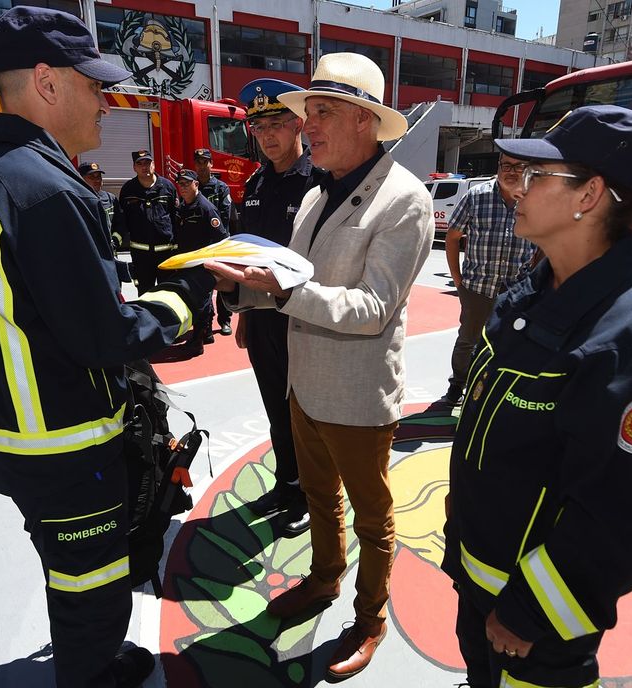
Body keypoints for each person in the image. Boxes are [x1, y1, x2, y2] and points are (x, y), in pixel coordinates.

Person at [0, 8, 212, 688]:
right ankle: (92, 674)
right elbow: (103, 336)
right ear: (46, 83)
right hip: (65, 442)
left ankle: (85, 657)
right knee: (92, 580)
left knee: (66, 570)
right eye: (94, 85)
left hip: (16, 432)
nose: (105, 101)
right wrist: (187, 302)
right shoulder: (47, 190)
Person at [441, 105, 632, 688]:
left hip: (533, 618)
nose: (515, 190)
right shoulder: (530, 295)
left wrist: (531, 612)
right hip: (481, 577)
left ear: (591, 195)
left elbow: (619, 518)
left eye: (535, 177)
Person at [210, 53, 433, 680]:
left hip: (359, 391)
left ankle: (370, 618)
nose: (308, 126)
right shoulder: (313, 194)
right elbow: (291, 279)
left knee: (372, 514)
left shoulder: (404, 200)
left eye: (323, 112)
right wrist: (237, 288)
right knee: (317, 496)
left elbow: (371, 308)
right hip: (303, 383)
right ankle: (325, 580)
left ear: (366, 120)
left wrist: (279, 294)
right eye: (309, 113)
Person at [236, 77, 325, 538]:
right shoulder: (255, 184)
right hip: (264, 318)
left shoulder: (319, 182)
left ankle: (313, 493)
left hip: (306, 319)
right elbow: (248, 255)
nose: (267, 135)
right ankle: (288, 483)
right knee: (276, 406)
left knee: (305, 410)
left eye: (277, 123)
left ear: (297, 126)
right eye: (259, 126)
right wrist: (246, 316)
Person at [439, 154, 535, 405]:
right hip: (477, 288)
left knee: (511, 342)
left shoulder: (533, 199)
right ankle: (458, 385)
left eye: (519, 166)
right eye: (507, 165)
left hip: (515, 290)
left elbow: (544, 241)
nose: (512, 171)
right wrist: (458, 280)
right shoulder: (476, 196)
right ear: (498, 167)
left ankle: (496, 389)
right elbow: (452, 237)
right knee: (468, 341)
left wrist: (534, 279)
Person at [173, 168, 227, 356]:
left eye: (187, 183)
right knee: (198, 299)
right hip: (187, 263)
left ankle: (197, 341)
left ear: (196, 184)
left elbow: (221, 236)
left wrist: (208, 260)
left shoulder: (206, 208)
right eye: (181, 184)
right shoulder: (183, 207)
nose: (183, 187)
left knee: (200, 301)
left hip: (201, 263)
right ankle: (207, 333)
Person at [119, 148, 178, 292]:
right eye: (140, 164)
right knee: (145, 294)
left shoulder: (167, 187)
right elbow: (122, 220)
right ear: (134, 167)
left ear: (154, 165)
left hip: (166, 254)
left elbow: (176, 217)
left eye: (147, 162)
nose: (144, 167)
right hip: (141, 256)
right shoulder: (128, 190)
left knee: (168, 294)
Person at [192, 147, 234, 337]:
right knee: (203, 286)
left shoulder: (221, 188)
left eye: (205, 162)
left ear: (211, 164)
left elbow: (225, 217)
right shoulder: (192, 187)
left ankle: (225, 320)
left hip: (218, 244)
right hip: (199, 245)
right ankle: (205, 324)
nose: (201, 166)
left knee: (222, 282)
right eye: (198, 163)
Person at [78, 161, 130, 287]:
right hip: (87, 257)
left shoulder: (110, 199)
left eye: (99, 177)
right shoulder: (76, 200)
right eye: (92, 177)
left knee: (114, 291)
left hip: (110, 257)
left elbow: (120, 225)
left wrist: (115, 241)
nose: (97, 180)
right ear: (80, 178)